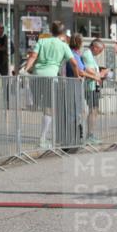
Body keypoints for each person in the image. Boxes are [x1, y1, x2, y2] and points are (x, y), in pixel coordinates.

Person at [24, 20, 81, 149]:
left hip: (37, 76)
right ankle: (42, 139)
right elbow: (74, 63)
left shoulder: (42, 41)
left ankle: (34, 105)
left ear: (51, 30)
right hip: (51, 77)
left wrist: (25, 70)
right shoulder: (63, 45)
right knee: (48, 109)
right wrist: (77, 76)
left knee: (36, 106)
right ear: (62, 32)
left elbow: (33, 57)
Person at [82, 39, 108, 144]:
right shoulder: (87, 54)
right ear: (95, 47)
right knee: (93, 110)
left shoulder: (90, 55)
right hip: (90, 87)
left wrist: (100, 73)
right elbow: (89, 70)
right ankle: (89, 135)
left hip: (94, 86)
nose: (100, 53)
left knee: (95, 110)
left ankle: (90, 134)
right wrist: (102, 73)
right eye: (100, 50)